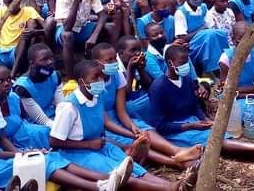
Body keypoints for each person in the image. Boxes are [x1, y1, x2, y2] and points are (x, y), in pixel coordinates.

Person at [0, 70, 130, 190]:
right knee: (41, 162)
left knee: (48, 156)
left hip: (1, 154)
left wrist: (22, 152)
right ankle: (99, 186)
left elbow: (2, 139)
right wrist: (21, 155)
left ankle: (105, 178)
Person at [50, 59, 197, 191]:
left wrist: (129, 136)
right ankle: (171, 188)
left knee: (134, 168)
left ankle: (171, 184)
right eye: (95, 78)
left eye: (101, 76)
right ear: (82, 82)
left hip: (101, 146)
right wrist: (88, 144)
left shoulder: (96, 96)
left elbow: (104, 123)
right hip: (78, 154)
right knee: (118, 175)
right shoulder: (68, 107)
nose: (100, 80)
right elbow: (55, 142)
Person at [148, 45, 254, 168]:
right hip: (176, 131)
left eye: (186, 62)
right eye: (181, 63)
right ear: (170, 63)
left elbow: (195, 106)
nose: (185, 66)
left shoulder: (186, 80)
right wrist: (191, 126)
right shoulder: (158, 88)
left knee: (220, 136)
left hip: (193, 122)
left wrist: (205, 119)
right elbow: (160, 126)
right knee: (215, 139)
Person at [91, 44, 203, 170]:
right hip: (102, 125)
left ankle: (177, 151)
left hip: (118, 117)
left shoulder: (117, 76)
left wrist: (133, 128)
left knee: (145, 131)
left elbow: (121, 111)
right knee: (137, 142)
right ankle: (179, 163)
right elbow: (105, 121)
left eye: (114, 58)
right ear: (97, 62)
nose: (113, 62)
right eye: (108, 60)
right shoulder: (94, 83)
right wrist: (131, 134)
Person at [56, 0, 106, 75]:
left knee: (108, 28)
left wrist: (94, 36)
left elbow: (102, 15)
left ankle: (104, 64)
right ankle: (70, 77)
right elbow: (67, 27)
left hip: (83, 27)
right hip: (64, 29)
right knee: (67, 35)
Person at [0, 0, 45, 77]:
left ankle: (13, 74)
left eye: (14, 2)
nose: (11, 6)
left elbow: (45, 27)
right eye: (8, 3)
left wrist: (35, 32)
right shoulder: (2, 11)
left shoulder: (28, 11)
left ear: (19, 0)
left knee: (24, 35)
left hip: (15, 52)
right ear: (4, 3)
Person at [0, 64, 50, 150]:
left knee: (44, 132)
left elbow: (24, 117)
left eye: (8, 79)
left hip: (22, 133)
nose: (6, 84)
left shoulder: (14, 97)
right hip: (4, 144)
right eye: (0, 81)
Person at [173, 0, 229, 76]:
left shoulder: (203, 7)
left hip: (206, 39)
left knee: (220, 33)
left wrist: (204, 30)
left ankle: (224, 63)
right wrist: (201, 30)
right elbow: (182, 38)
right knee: (209, 35)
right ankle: (214, 71)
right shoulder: (180, 12)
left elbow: (211, 27)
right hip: (191, 45)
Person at [14, 43, 63, 125]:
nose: (50, 62)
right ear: (32, 63)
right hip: (35, 124)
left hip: (53, 116)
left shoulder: (55, 76)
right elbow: (41, 120)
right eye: (44, 59)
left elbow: (61, 106)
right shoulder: (22, 87)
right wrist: (60, 128)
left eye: (51, 58)